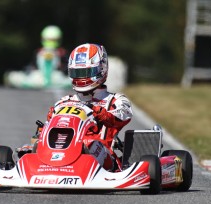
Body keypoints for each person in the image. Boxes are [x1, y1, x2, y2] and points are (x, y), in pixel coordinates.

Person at [15, 43, 133, 171]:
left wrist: (104, 114)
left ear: (101, 69)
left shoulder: (115, 100)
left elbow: (123, 116)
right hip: (64, 150)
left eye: (86, 72)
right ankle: (46, 164)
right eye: (77, 73)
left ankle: (75, 163)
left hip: (103, 158)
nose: (81, 77)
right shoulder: (64, 101)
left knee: (90, 144)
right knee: (29, 148)